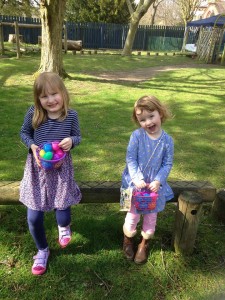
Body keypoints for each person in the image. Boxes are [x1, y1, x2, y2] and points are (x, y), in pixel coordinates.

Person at [19, 72, 82, 275]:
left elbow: (78, 136)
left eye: (54, 94)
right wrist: (33, 146)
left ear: (63, 93)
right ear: (38, 99)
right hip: (37, 172)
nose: (50, 100)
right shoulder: (34, 113)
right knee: (34, 217)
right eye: (44, 96)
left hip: (62, 171)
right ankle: (42, 250)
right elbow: (24, 133)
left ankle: (64, 227)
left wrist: (72, 141)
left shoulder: (71, 115)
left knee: (62, 209)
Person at [121, 95, 174, 264]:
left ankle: (144, 244)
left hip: (154, 187)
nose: (148, 122)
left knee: (151, 216)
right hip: (134, 183)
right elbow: (130, 159)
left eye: (151, 116)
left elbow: (167, 163)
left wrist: (158, 180)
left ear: (161, 113)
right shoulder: (136, 136)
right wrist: (136, 178)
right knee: (132, 214)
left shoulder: (167, 141)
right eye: (142, 119)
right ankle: (128, 240)